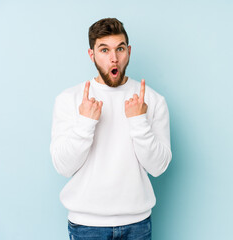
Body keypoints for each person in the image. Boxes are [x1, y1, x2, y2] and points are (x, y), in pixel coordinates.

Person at [50, 18, 172, 240]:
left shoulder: (153, 100)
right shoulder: (69, 99)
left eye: (120, 49)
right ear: (92, 54)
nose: (114, 58)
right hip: (86, 225)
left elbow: (159, 167)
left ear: (129, 51)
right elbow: (63, 167)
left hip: (137, 224)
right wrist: (85, 124)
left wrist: (139, 122)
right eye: (104, 50)